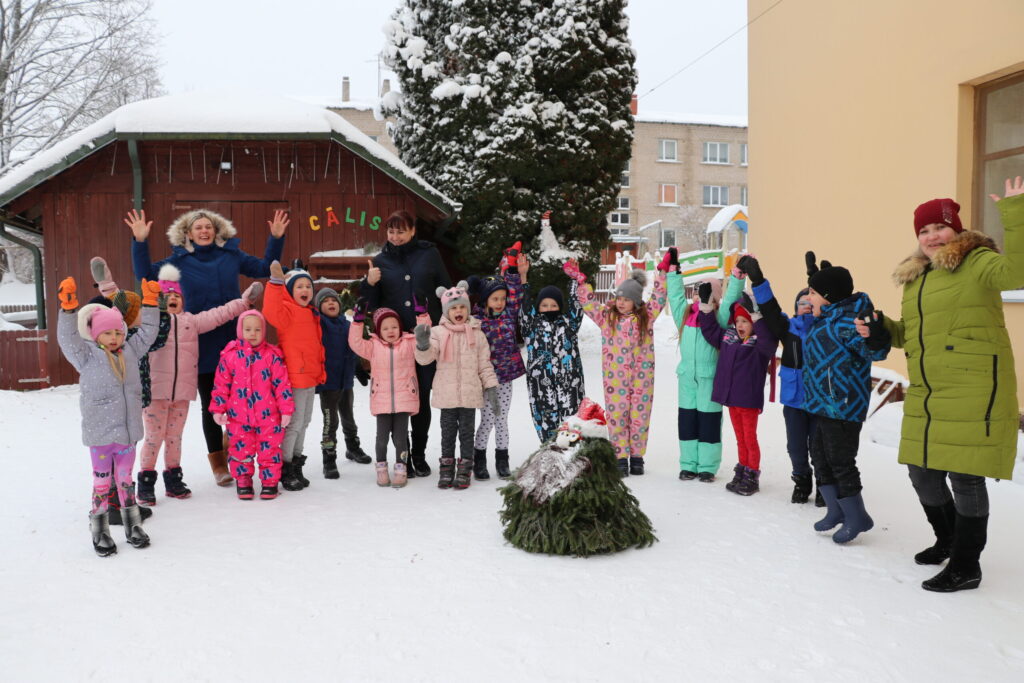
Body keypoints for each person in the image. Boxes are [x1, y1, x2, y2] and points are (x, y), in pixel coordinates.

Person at [859, 179, 1024, 592]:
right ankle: (947, 539)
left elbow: (1017, 271)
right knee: (922, 472)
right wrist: (882, 329)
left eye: (939, 227)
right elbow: (911, 335)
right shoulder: (917, 278)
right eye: (923, 231)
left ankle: (966, 565)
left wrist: (1016, 212)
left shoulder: (978, 261)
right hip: (929, 392)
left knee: (966, 477)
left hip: (973, 388)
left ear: (957, 230)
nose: (932, 237)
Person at [128, 208, 288, 486]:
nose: (204, 231)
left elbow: (263, 268)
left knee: (241, 401)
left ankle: (239, 452)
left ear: (216, 231)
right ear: (187, 234)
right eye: (197, 227)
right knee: (211, 404)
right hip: (198, 341)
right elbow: (145, 275)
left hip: (233, 338)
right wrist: (140, 241)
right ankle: (218, 462)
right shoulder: (178, 261)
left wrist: (276, 238)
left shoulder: (231, 256)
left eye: (208, 227)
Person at [137, 265, 261, 505]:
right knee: (154, 437)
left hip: (181, 393)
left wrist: (244, 302)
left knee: (174, 437)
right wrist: (147, 302)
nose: (173, 299)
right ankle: (146, 482)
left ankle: (173, 478)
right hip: (156, 393)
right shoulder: (152, 323)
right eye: (168, 296)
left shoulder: (192, 322)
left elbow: (219, 314)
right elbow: (131, 317)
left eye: (177, 296)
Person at [56, 275, 161, 556]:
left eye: (118, 332)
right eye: (108, 333)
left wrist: (150, 304)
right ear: (95, 334)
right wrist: (68, 310)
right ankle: (100, 531)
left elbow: (148, 333)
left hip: (128, 433)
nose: (114, 338)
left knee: (126, 481)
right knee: (102, 484)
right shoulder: (85, 355)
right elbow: (66, 339)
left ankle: (133, 526)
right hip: (101, 435)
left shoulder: (130, 351)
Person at [802, 253, 890, 544]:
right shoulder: (828, 318)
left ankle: (857, 516)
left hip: (842, 407)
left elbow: (874, 351)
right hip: (821, 404)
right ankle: (836, 510)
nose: (807, 298)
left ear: (829, 296)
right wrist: (816, 281)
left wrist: (875, 337)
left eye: (812, 293)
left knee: (841, 461)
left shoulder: (849, 323)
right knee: (819, 457)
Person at [361, 210, 451, 478]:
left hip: (424, 340)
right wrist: (369, 283)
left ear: (413, 231)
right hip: (396, 344)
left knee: (421, 397)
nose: (395, 236)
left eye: (401, 231)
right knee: (401, 401)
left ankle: (419, 454)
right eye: (391, 231)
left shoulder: (429, 254)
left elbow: (444, 290)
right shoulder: (380, 261)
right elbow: (371, 305)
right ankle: (404, 457)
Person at [568, 259, 667, 476]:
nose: (621, 303)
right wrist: (581, 281)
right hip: (615, 380)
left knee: (640, 417)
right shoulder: (607, 318)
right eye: (618, 298)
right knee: (617, 416)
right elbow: (589, 304)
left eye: (626, 300)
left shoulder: (646, 318)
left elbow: (658, 298)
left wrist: (662, 274)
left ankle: (637, 457)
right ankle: (620, 457)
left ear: (636, 302)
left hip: (642, 377)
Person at [736, 254, 822, 505]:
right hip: (794, 401)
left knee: (820, 449)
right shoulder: (787, 329)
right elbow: (770, 307)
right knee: (796, 447)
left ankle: (825, 486)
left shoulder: (824, 328)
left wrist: (814, 280)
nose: (806, 305)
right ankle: (802, 482)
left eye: (811, 301)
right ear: (795, 307)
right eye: (802, 302)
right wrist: (758, 278)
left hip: (819, 401)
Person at [665, 248, 744, 482]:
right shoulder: (685, 314)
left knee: (709, 422)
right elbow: (676, 296)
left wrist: (738, 278)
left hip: (710, 377)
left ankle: (708, 466)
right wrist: (673, 272)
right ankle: (688, 464)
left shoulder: (719, 317)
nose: (701, 298)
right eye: (699, 293)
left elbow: (731, 300)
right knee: (687, 421)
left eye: (707, 294)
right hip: (687, 377)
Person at [415, 282, 500, 489]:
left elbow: (484, 364)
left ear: (467, 309)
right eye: (453, 308)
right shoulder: (438, 333)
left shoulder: (478, 334)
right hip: (447, 394)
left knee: (467, 434)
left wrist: (491, 388)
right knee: (448, 433)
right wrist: (423, 344)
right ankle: (446, 470)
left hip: (470, 394)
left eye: (462, 307)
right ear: (447, 311)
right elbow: (425, 359)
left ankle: (464, 470)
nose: (458, 311)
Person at [698, 290, 778, 495]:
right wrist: (706, 309)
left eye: (746, 321)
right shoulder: (728, 338)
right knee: (740, 438)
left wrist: (758, 318)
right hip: (732, 399)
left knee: (749, 438)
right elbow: (709, 331)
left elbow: (770, 342)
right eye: (738, 321)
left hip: (748, 401)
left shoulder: (760, 345)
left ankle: (752, 475)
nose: (741, 325)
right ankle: (742, 469)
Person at [209, 310, 294, 500]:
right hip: (238, 417)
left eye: (257, 329)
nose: (253, 333)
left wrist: (286, 410)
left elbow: (282, 385)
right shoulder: (230, 356)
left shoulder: (271, 356)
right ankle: (244, 480)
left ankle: (270, 482)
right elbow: (221, 386)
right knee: (240, 449)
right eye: (248, 329)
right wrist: (218, 409)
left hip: (269, 416)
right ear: (240, 331)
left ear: (263, 331)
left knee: (269, 449)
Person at [348, 302, 431, 487]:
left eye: (394, 326)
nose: (391, 330)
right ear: (378, 330)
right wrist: (357, 322)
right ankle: (381, 469)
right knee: (382, 438)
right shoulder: (373, 347)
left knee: (401, 438)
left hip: (404, 398)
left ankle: (401, 469)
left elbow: (425, 334)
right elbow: (354, 343)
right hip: (382, 399)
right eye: (385, 328)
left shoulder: (409, 344)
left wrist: (422, 314)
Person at [264, 261, 326, 491]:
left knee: (306, 422)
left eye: (308, 287)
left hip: (310, 377)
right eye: (299, 286)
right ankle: (285, 466)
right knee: (294, 424)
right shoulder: (287, 311)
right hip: (295, 377)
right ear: (290, 291)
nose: (305, 291)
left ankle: (296, 463)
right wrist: (276, 283)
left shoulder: (310, 312)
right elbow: (271, 309)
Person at [468, 246, 529, 480]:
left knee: (502, 418)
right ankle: (479, 459)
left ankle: (502, 460)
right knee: (487, 419)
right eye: (495, 298)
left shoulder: (509, 313)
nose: (501, 302)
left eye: (502, 298)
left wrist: (517, 271)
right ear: (485, 300)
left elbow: (514, 291)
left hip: (506, 376)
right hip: (485, 378)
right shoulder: (476, 321)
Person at [519, 274, 585, 444]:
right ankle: (549, 452)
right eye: (544, 305)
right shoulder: (531, 326)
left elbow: (576, 305)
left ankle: (571, 453)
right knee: (545, 418)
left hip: (570, 382)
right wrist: (523, 279)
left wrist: (574, 281)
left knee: (572, 418)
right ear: (538, 307)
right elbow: (524, 305)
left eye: (554, 305)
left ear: (560, 306)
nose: (549, 308)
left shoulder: (569, 324)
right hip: (540, 384)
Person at [314, 287, 367, 480]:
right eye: (326, 301)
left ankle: (352, 447)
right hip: (328, 383)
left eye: (334, 300)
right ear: (319, 307)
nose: (331, 303)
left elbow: (353, 347)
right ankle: (329, 459)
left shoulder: (347, 325)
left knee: (348, 417)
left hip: (346, 381)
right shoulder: (319, 323)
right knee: (330, 423)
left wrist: (359, 368)